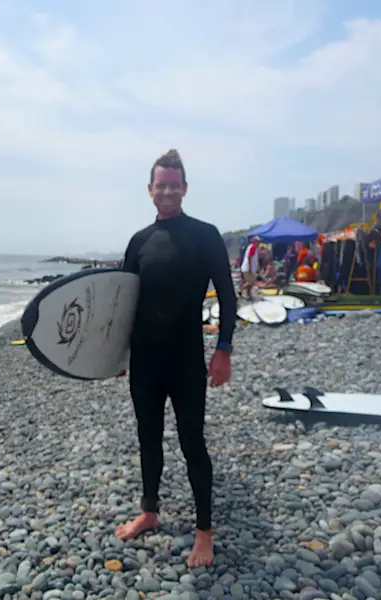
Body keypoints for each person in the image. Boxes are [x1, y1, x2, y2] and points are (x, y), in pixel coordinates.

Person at [117, 149, 236, 568]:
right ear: (150, 190)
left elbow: (227, 293)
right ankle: (149, 512)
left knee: (192, 442)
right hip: (145, 362)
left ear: (184, 189)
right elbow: (121, 302)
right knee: (148, 437)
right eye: (160, 185)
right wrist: (115, 354)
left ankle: (204, 532)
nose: (167, 191)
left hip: (186, 360)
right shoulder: (139, 242)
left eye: (174, 185)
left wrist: (223, 349)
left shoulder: (205, 235)